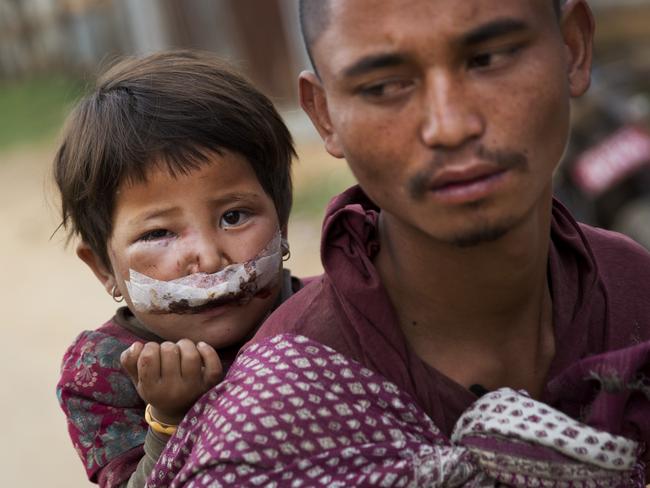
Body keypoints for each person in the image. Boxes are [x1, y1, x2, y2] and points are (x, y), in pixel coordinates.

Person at [147, 1, 650, 486]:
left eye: (488, 59)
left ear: (572, 48)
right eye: (385, 86)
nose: (450, 126)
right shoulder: (270, 426)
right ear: (325, 116)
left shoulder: (635, 288)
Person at [54, 50, 300, 487]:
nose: (207, 257)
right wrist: (168, 418)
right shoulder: (104, 372)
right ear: (104, 269)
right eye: (157, 234)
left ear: (280, 223)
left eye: (234, 217)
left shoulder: (327, 315)